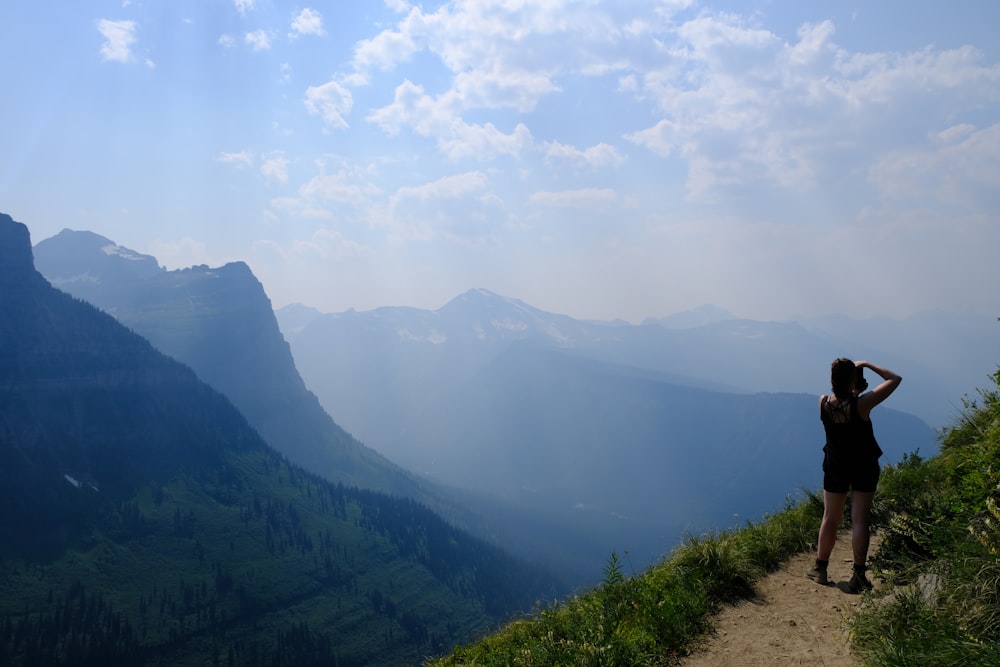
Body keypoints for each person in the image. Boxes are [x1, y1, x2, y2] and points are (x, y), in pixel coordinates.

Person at [806, 358, 902, 593]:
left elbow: (842, 403)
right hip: (863, 466)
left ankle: (820, 568)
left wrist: (854, 389)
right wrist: (868, 365)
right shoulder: (862, 405)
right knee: (859, 519)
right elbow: (894, 379)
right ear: (852, 379)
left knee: (830, 517)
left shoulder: (823, 403)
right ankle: (858, 575)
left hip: (836, 465)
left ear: (832, 380)